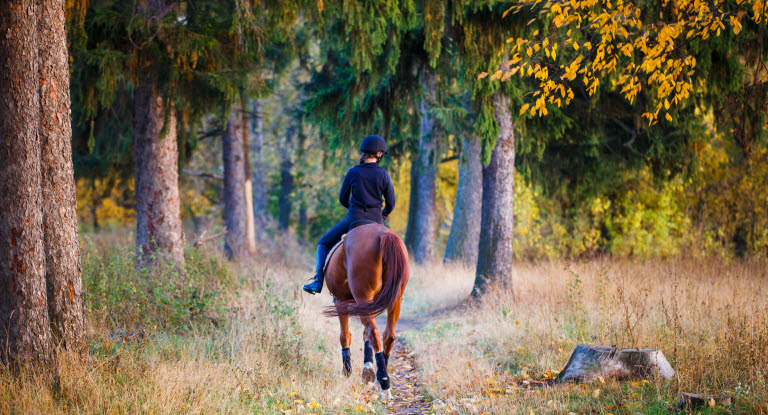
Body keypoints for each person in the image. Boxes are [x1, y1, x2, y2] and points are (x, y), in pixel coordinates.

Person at [302, 134, 396, 294]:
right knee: (393, 249)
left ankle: (317, 282)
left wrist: (353, 208)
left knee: (323, 243)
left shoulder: (353, 172)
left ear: (364, 152)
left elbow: (342, 198)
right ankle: (395, 288)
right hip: (376, 221)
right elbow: (391, 203)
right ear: (379, 154)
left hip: (354, 220)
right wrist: (384, 213)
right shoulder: (384, 175)